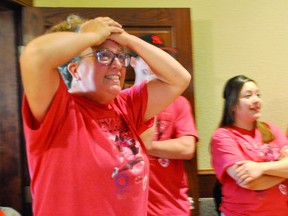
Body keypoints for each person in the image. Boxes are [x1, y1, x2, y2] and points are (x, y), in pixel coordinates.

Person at [20, 15, 191, 216]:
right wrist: (91, 35)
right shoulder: (58, 110)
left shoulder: (126, 105)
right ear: (75, 70)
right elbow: (35, 56)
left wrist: (126, 38)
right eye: (102, 55)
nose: (117, 65)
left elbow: (179, 79)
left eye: (119, 55)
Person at [130, 34, 198, 216]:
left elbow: (187, 148)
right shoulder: (117, 102)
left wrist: (147, 147)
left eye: (160, 57)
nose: (155, 64)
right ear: (132, 62)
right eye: (148, 57)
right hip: (129, 207)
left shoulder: (179, 103)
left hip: (171, 208)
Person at [210, 75, 288, 216]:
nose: (256, 100)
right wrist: (282, 169)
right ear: (232, 105)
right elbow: (250, 182)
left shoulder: (271, 129)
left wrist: (260, 168)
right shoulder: (223, 136)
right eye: (248, 96)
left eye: (258, 95)